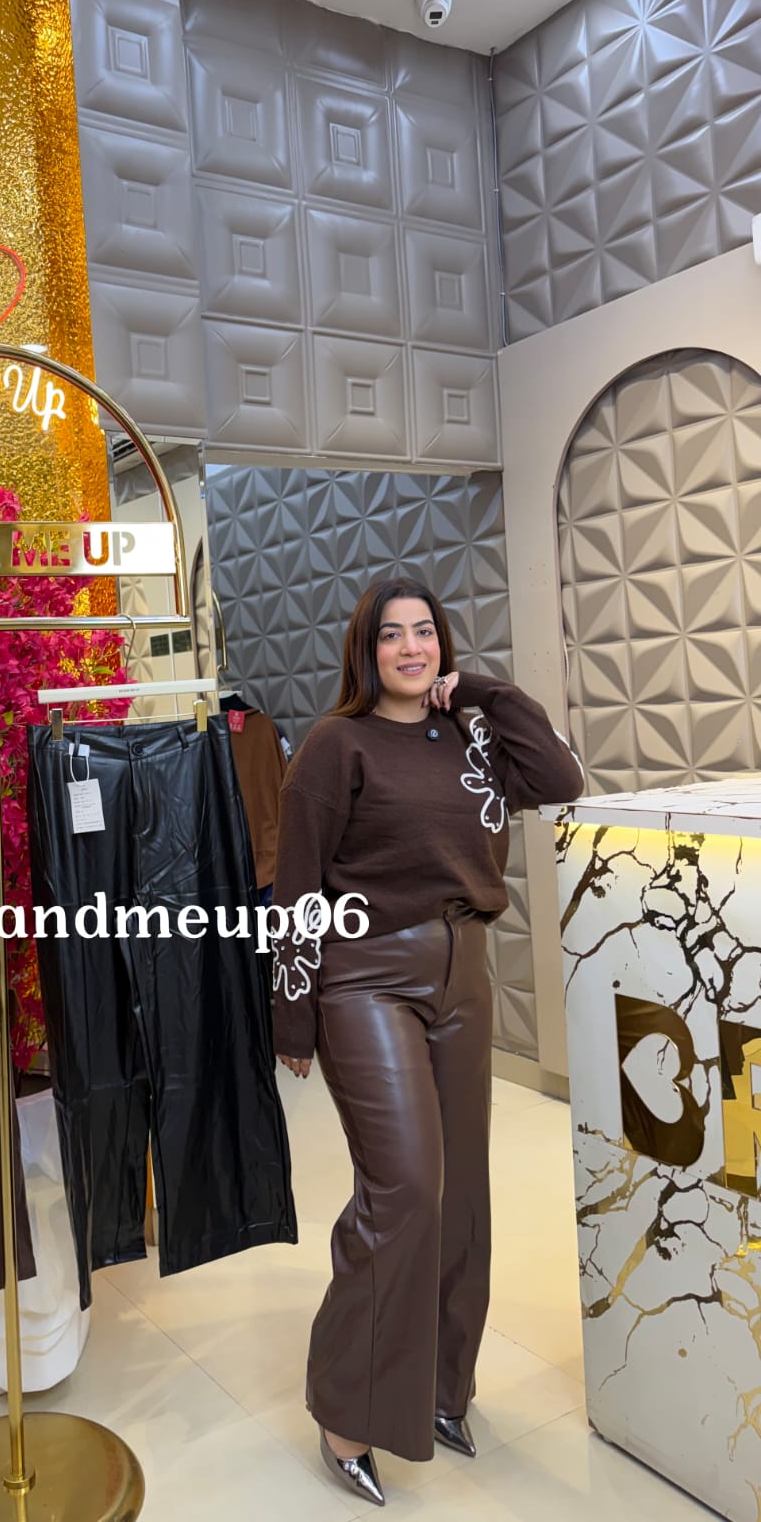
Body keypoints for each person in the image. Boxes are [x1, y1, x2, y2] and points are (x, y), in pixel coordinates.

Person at [270, 576, 584, 1507]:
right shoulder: (336, 745)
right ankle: (347, 1411)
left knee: (464, 1198)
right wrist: (292, 1012)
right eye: (392, 635)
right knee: (404, 1189)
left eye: (426, 633)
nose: (411, 648)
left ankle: (444, 1391)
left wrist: (482, 690)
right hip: (366, 979)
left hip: (463, 976)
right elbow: (298, 886)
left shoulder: (472, 734)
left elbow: (560, 780)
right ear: (365, 651)